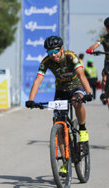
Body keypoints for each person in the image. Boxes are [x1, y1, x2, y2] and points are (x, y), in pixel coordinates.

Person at [25, 36, 92, 173]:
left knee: (77, 102)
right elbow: (38, 79)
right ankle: (65, 162)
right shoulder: (46, 61)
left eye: (55, 51)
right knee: (59, 124)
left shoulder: (70, 56)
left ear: (61, 49)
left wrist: (89, 92)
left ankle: (83, 129)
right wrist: (31, 99)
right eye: (49, 52)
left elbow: (81, 75)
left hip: (75, 86)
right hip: (60, 90)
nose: (53, 55)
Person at [86, 17, 109, 104]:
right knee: (104, 75)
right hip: (108, 62)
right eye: (107, 27)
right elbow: (96, 44)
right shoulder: (103, 38)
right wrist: (91, 49)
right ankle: (104, 93)